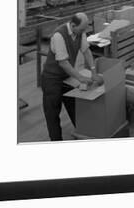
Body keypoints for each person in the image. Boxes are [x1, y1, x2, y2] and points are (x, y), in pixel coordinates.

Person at [40, 13, 99, 141]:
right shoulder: (59, 35)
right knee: (53, 113)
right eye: (82, 29)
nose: (84, 32)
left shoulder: (79, 32)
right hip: (52, 78)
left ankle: (83, 133)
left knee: (73, 105)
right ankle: (56, 141)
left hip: (66, 76)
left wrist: (93, 71)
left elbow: (86, 51)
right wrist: (81, 78)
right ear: (73, 25)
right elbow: (63, 63)